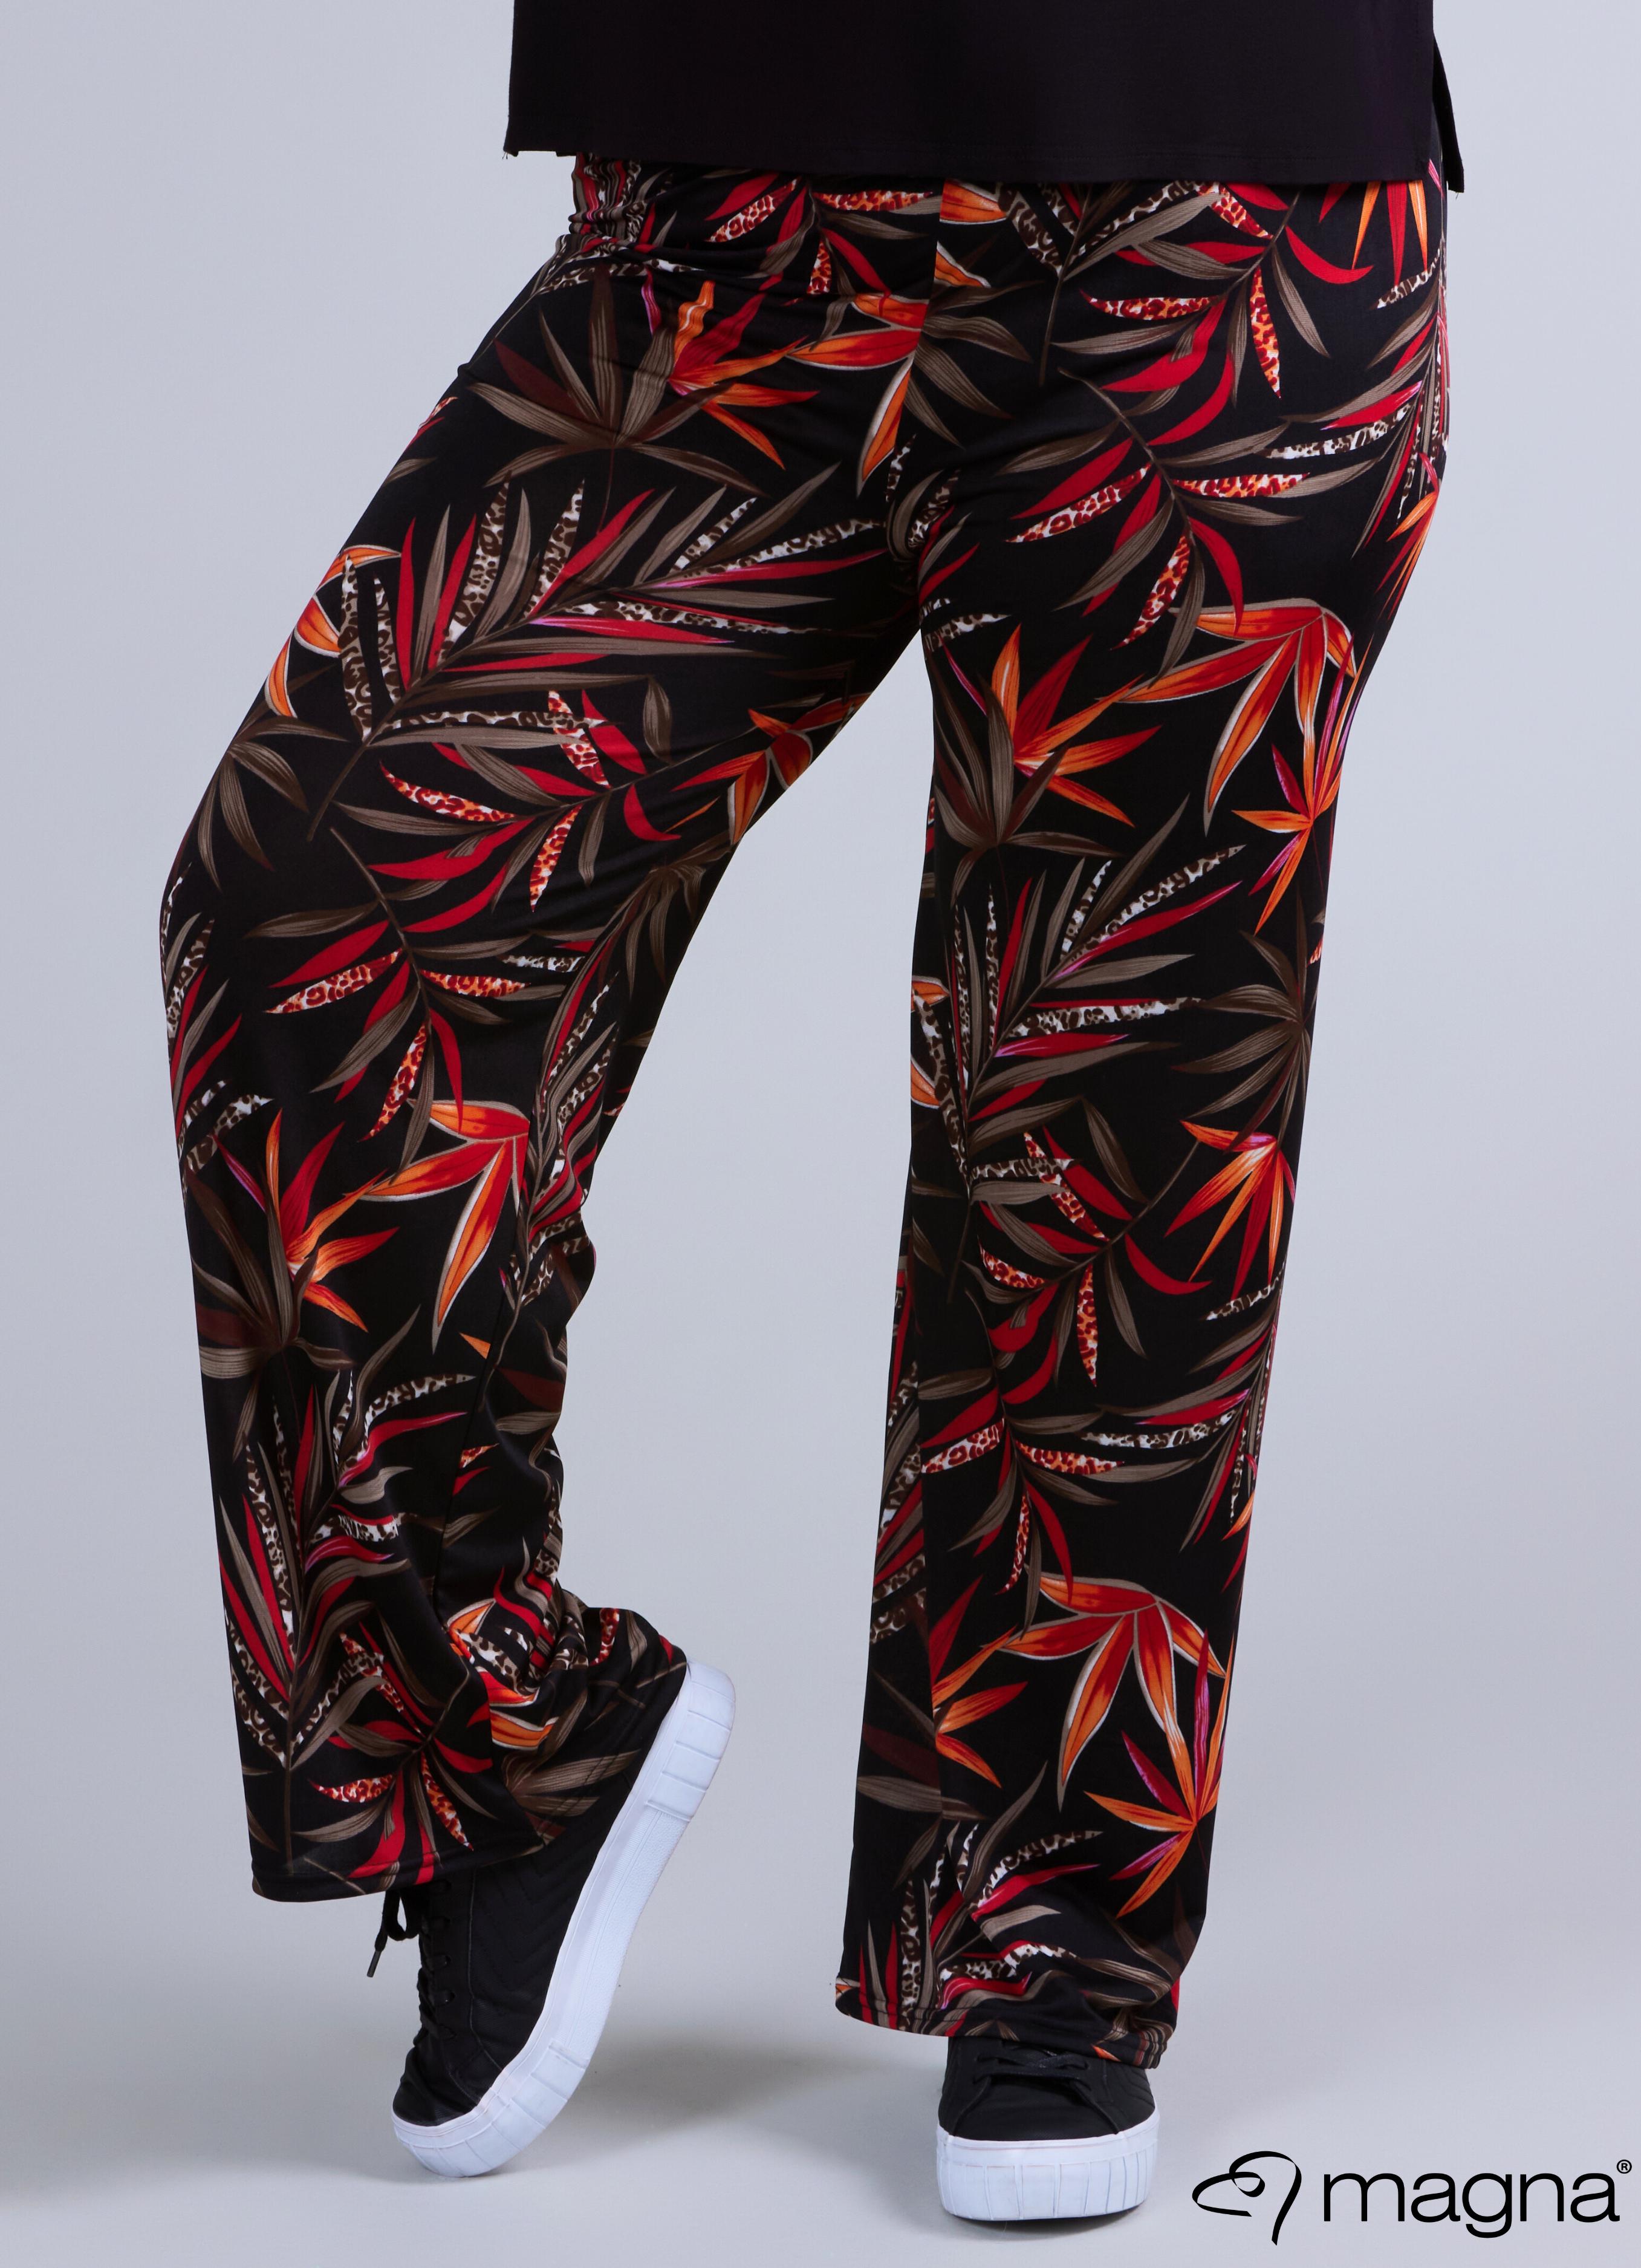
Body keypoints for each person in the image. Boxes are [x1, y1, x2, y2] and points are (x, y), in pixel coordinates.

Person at [160, 0, 1462, 2222]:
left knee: (1097, 1112)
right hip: (716, 216)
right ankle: (508, 1742)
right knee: (313, 904)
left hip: (1220, 220)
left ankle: (1053, 1932)